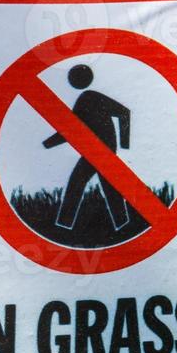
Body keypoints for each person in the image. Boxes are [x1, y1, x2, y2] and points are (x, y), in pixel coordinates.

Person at [42, 64, 132, 230]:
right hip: (96, 152)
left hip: (100, 152)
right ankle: (122, 224)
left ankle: (64, 225)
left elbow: (124, 112)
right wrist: (47, 144)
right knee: (108, 189)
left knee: (77, 184)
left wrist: (124, 144)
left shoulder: (88, 98)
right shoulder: (87, 98)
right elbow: (71, 130)